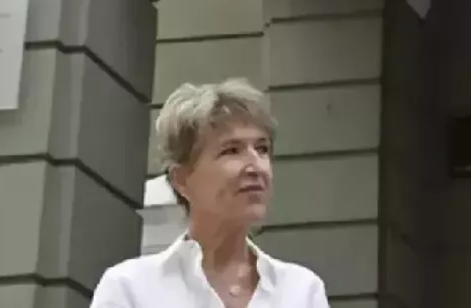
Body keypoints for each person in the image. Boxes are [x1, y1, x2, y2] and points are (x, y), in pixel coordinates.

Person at [93, 78, 330, 307]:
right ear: (182, 180)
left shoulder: (301, 291)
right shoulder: (130, 289)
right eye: (232, 150)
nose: (256, 166)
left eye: (262, 149)